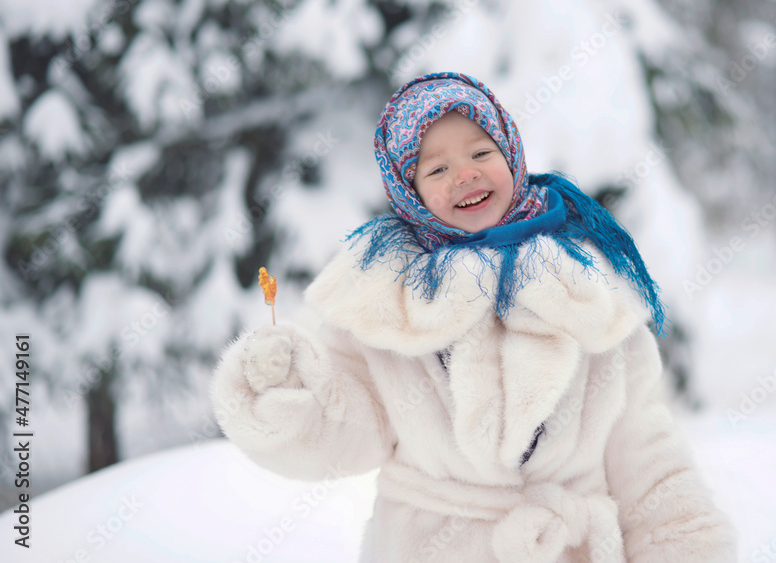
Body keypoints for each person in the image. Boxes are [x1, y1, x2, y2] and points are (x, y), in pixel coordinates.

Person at [211, 72, 736, 562]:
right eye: (437, 169)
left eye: (481, 152)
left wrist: (684, 545)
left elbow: (646, 452)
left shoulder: (588, 285)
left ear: (511, 154)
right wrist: (285, 393)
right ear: (409, 192)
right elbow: (345, 428)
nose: (465, 174)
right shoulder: (384, 296)